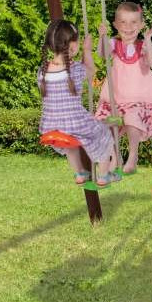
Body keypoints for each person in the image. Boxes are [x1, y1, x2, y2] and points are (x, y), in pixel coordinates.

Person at [38, 19, 119, 187]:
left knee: (69, 142)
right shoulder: (74, 70)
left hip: (50, 126)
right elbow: (91, 71)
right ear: (72, 46)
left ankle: (80, 173)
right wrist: (87, 50)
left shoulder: (42, 71)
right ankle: (104, 176)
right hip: (75, 123)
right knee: (103, 133)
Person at [95, 1, 152, 174]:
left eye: (134, 22)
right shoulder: (114, 44)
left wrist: (148, 38)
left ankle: (133, 156)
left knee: (131, 117)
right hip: (116, 99)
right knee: (103, 125)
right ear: (115, 25)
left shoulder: (143, 46)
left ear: (141, 25)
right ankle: (115, 156)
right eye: (123, 22)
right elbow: (102, 54)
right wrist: (102, 37)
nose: (128, 27)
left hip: (139, 99)